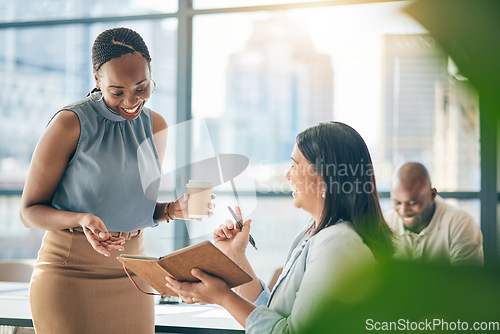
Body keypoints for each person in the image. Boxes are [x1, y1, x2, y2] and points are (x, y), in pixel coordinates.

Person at [19, 27, 211, 334]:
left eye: (141, 87)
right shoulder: (70, 123)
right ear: (97, 81)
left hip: (133, 273)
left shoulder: (155, 125)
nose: (131, 101)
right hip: (69, 273)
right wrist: (82, 219)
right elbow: (29, 211)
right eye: (117, 91)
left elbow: (140, 207)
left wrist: (174, 209)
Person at [164, 121, 395, 333]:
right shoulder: (314, 234)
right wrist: (237, 258)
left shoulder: (338, 245)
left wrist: (223, 297)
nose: (287, 175)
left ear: (322, 179)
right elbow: (273, 314)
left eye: (294, 166)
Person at [385, 162, 483, 266]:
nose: (404, 211)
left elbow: (466, 279)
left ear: (432, 195)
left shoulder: (461, 223)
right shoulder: (385, 224)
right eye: (397, 203)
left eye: (412, 203)